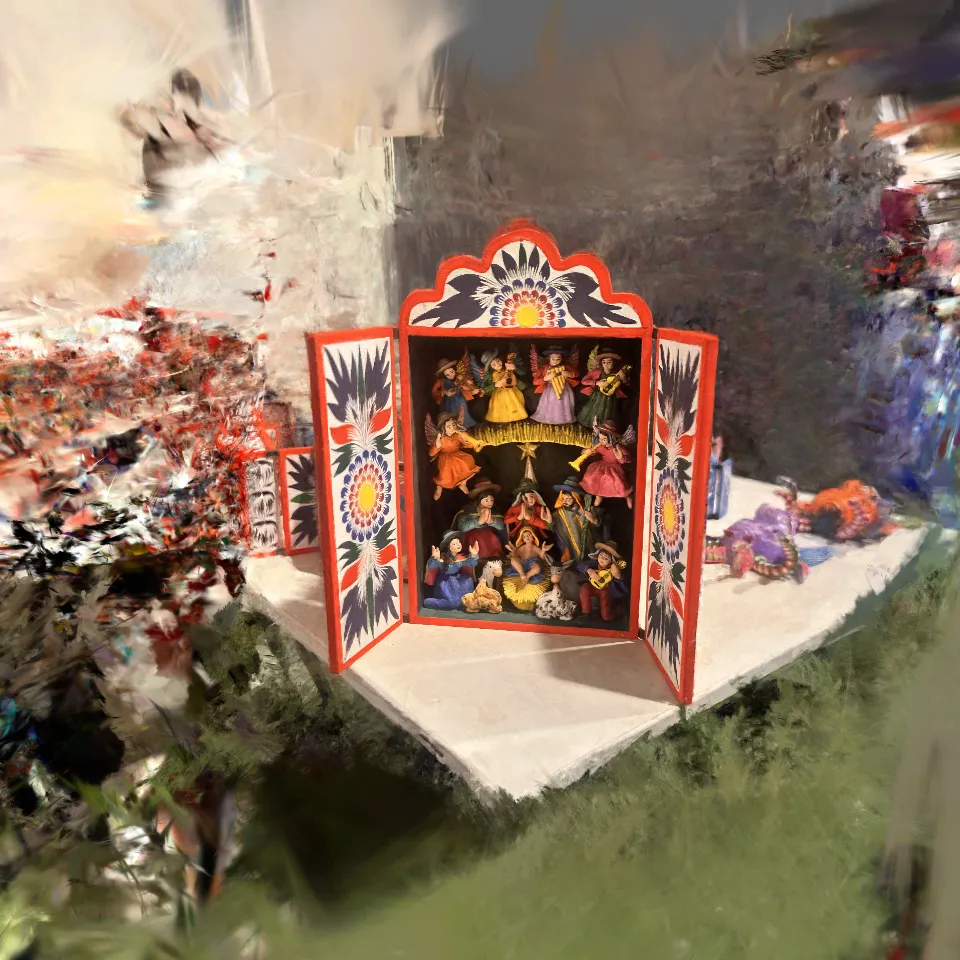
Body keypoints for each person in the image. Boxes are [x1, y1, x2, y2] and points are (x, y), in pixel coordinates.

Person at [426, 413, 484, 500]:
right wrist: (437, 445)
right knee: (445, 474)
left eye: (453, 425)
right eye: (448, 427)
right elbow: (431, 453)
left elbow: (469, 445)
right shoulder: (442, 439)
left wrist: (467, 440)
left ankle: (463, 483)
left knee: (467, 464)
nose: (452, 428)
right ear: (443, 428)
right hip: (445, 458)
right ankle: (439, 487)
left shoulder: (457, 435)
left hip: (457, 454)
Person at [578, 420, 634, 508]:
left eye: (604, 439)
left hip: (614, 467)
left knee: (616, 483)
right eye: (600, 438)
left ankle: (627, 496)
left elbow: (629, 459)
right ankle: (598, 495)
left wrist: (621, 458)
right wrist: (586, 451)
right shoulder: (600, 446)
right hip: (602, 465)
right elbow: (592, 452)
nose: (601, 441)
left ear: (611, 438)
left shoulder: (618, 447)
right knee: (593, 477)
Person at [453, 478, 509, 561]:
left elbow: (501, 526)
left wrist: (492, 522)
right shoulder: (468, 510)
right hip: (471, 538)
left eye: (492, 500)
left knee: (491, 537)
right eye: (486, 500)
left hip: (490, 538)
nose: (490, 503)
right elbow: (462, 527)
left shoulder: (494, 512)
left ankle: (494, 559)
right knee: (477, 536)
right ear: (479, 499)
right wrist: (478, 522)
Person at [423, 533, 480, 610]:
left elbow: (470, 563)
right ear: (449, 547)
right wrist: (435, 559)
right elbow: (432, 565)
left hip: (457, 580)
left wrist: (473, 555)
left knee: (467, 583)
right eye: (454, 544)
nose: (458, 544)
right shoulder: (443, 558)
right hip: (445, 582)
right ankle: (429, 602)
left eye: (459, 542)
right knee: (452, 603)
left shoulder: (460, 558)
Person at [501, 526, 552, 612]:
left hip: (532, 564)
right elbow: (515, 556)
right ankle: (522, 574)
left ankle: (527, 576)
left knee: (537, 568)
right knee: (513, 560)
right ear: (522, 539)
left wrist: (543, 550)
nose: (527, 537)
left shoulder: (535, 548)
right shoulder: (521, 548)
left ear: (533, 536)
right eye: (524, 536)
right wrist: (513, 551)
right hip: (521, 566)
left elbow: (541, 557)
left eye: (529, 535)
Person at [550, 476, 599, 565]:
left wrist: (594, 520)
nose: (565, 501)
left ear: (576, 498)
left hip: (589, 546)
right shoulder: (559, 514)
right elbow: (553, 527)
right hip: (571, 547)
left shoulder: (587, 510)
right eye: (563, 499)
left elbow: (600, 525)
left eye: (568, 499)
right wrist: (549, 521)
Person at [577, 349, 629, 429]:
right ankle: (590, 427)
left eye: (609, 362)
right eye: (604, 362)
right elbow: (584, 381)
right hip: (597, 396)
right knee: (593, 410)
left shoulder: (617, 374)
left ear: (614, 363)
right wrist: (597, 382)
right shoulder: (597, 372)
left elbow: (627, 385)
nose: (606, 365)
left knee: (608, 413)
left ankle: (604, 429)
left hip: (610, 398)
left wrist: (624, 378)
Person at [578, 541, 628, 623]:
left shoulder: (613, 570)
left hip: (605, 591)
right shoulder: (594, 564)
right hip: (592, 586)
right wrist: (588, 570)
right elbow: (579, 565)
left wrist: (618, 578)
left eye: (606, 558)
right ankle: (586, 613)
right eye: (601, 555)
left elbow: (624, 589)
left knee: (606, 616)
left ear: (612, 561)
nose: (602, 559)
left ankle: (616, 613)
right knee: (584, 588)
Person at [529, 345, 579, 425]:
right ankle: (550, 419)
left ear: (561, 359)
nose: (555, 361)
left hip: (564, 388)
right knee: (551, 403)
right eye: (553, 359)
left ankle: (564, 419)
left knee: (564, 402)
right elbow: (535, 382)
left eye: (558, 359)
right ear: (549, 358)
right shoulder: (544, 367)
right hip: (550, 388)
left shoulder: (565, 367)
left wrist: (569, 374)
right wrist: (545, 378)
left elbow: (576, 374)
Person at [479, 351, 528, 424]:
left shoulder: (508, 366)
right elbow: (484, 388)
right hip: (499, 395)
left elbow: (523, 372)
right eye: (494, 364)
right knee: (502, 410)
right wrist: (495, 385)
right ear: (491, 367)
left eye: (498, 361)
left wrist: (515, 368)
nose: (498, 364)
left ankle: (516, 422)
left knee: (515, 407)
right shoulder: (490, 375)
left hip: (513, 392)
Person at [432, 358, 479, 429]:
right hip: (447, 403)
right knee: (450, 416)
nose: (451, 375)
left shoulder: (459, 378)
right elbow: (434, 392)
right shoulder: (441, 381)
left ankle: (464, 428)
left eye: (452, 372)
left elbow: (466, 389)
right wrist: (444, 392)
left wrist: (472, 391)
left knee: (463, 414)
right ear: (444, 375)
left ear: (454, 370)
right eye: (447, 375)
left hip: (460, 401)